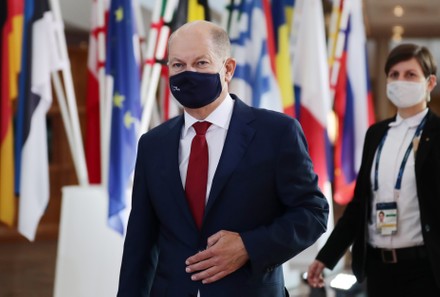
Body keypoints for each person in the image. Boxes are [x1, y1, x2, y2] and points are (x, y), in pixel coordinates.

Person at [117, 20, 329, 297]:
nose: (188, 73)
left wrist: (248, 246)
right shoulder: (152, 144)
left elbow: (312, 213)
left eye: (201, 63)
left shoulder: (277, 132)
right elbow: (139, 242)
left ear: (227, 69)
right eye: (178, 65)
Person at [307, 43, 440, 297]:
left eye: (410, 75)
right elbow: (360, 205)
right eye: (394, 74)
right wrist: (327, 256)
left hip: (425, 269)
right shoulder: (376, 134)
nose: (400, 81)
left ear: (430, 83)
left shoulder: (437, 134)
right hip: (378, 268)